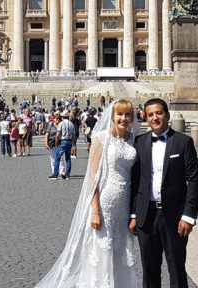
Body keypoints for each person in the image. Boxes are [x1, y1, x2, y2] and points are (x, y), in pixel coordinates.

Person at [35, 100, 141, 287]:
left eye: (127, 115)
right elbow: (93, 177)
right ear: (112, 116)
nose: (123, 118)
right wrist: (95, 210)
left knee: (120, 253)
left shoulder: (134, 139)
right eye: (120, 114)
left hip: (124, 204)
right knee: (101, 252)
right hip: (104, 203)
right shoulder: (101, 138)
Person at [129, 98, 198, 288]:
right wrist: (134, 214)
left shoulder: (183, 142)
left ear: (167, 115)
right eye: (150, 114)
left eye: (159, 113)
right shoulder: (140, 142)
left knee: (177, 269)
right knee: (149, 271)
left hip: (175, 215)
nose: (155, 117)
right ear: (145, 117)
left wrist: (188, 216)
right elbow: (136, 181)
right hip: (147, 215)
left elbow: (194, 180)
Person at [50, 111, 76, 180]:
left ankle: (55, 174)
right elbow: (74, 135)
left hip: (63, 141)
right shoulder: (71, 124)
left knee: (57, 158)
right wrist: (72, 143)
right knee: (68, 158)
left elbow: (57, 135)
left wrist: (56, 143)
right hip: (69, 141)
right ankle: (67, 175)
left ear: (62, 117)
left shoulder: (61, 123)